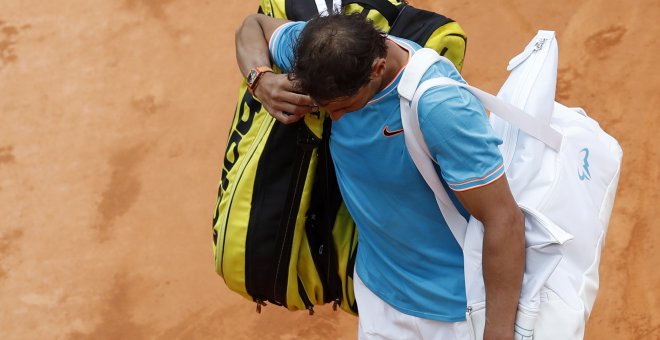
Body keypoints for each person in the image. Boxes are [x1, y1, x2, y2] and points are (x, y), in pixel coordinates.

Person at [235, 12, 525, 340]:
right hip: (378, 295)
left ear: (377, 69)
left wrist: (498, 332)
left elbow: (504, 219)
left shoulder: (440, 107)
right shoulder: (326, 49)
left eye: (343, 108)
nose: (335, 118)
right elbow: (253, 26)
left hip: (454, 312)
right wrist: (260, 79)